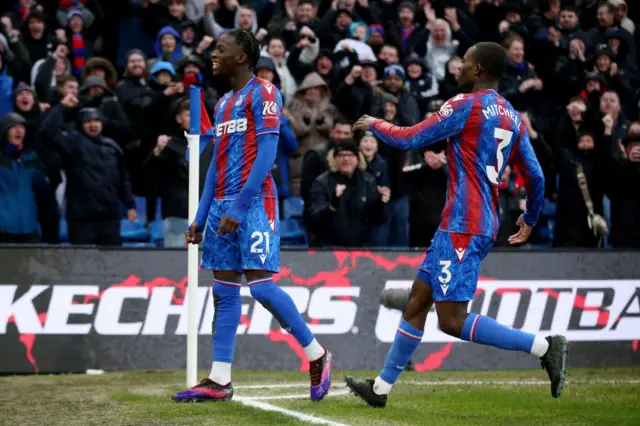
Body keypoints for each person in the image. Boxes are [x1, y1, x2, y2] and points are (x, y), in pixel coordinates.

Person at [345, 42, 567, 407]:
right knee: (418, 300)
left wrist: (375, 124)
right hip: (474, 221)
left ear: (478, 69)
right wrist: (530, 219)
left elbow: (412, 137)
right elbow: (537, 176)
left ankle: (544, 346)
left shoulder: (465, 104)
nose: (457, 68)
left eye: (464, 62)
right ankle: (381, 389)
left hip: (465, 222)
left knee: (450, 320)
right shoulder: (512, 114)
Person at [172, 28, 331, 403]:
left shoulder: (265, 92)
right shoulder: (224, 102)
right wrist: (200, 214)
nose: (213, 54)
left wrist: (241, 207)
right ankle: (219, 380)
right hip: (221, 205)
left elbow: (268, 154)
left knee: (260, 286)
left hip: (255, 200)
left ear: (241, 56)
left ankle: (317, 354)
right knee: (223, 290)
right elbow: (215, 165)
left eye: (220, 49)